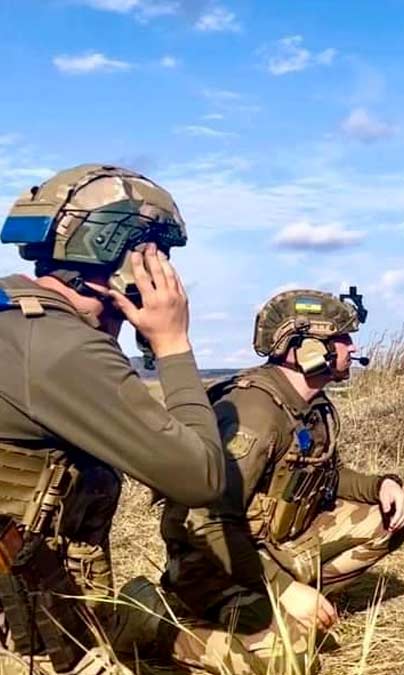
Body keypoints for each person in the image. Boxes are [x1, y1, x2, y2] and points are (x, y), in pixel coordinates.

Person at [0, 164, 226, 673]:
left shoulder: (15, 317)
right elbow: (200, 477)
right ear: (124, 260)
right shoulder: (62, 349)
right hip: (23, 638)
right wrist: (172, 344)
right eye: (156, 257)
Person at [145, 288, 404, 673]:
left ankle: (286, 603)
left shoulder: (310, 405)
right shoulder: (253, 413)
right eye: (340, 339)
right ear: (301, 348)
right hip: (213, 562)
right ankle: (152, 621)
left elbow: (324, 477)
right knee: (291, 660)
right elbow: (205, 521)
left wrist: (380, 486)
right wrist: (287, 591)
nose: (351, 348)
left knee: (385, 520)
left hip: (269, 546)